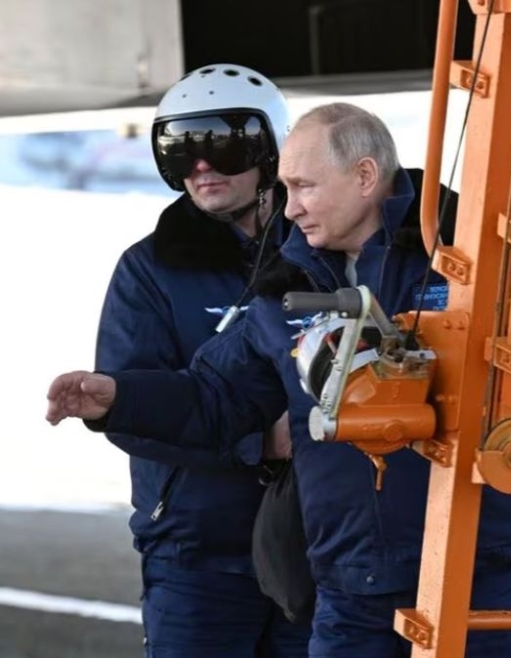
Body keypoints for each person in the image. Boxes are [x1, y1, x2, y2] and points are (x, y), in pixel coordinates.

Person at [47, 101, 511, 657]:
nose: (289, 207)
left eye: (304, 187)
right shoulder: (282, 288)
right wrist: (119, 398)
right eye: (286, 189)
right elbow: (216, 398)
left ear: (365, 177)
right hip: (352, 589)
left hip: (483, 571)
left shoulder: (464, 245)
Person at [92, 64, 310, 657]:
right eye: (181, 151)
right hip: (198, 557)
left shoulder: (323, 250)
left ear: (271, 151)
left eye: (223, 146)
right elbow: (133, 409)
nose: (202, 167)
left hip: (318, 544)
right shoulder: (149, 270)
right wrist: (259, 444)